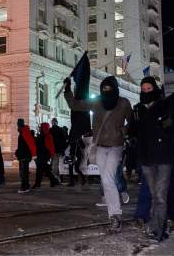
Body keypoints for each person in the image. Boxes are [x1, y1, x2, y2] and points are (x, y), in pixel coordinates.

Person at [129, 76, 174, 242]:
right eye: (144, 89)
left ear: (154, 89)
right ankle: (161, 220)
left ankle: (158, 230)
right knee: (155, 194)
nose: (146, 91)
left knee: (160, 196)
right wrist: (131, 135)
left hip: (164, 157)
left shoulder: (165, 105)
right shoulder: (138, 110)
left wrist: (170, 125)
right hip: (146, 158)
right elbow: (132, 129)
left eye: (149, 88)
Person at [65, 75, 132, 233]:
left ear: (115, 89)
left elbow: (132, 121)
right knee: (107, 180)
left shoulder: (123, 103)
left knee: (108, 179)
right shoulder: (97, 102)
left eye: (109, 88)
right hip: (100, 147)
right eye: (104, 89)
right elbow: (75, 105)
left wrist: (124, 131)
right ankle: (115, 212)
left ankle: (115, 215)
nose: (106, 91)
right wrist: (67, 89)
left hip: (115, 146)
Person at [33, 122, 59, 188]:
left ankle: (38, 183)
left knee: (40, 169)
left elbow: (49, 146)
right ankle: (53, 181)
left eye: (41, 127)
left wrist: (50, 155)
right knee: (45, 169)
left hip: (44, 155)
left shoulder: (46, 136)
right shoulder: (43, 135)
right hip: (42, 155)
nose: (40, 128)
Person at [15, 118, 36, 194]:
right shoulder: (23, 132)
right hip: (23, 155)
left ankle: (24, 187)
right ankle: (26, 185)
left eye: (18, 124)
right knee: (24, 172)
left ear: (20, 125)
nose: (17, 126)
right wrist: (18, 152)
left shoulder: (24, 132)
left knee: (23, 173)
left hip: (25, 156)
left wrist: (33, 155)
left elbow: (30, 144)